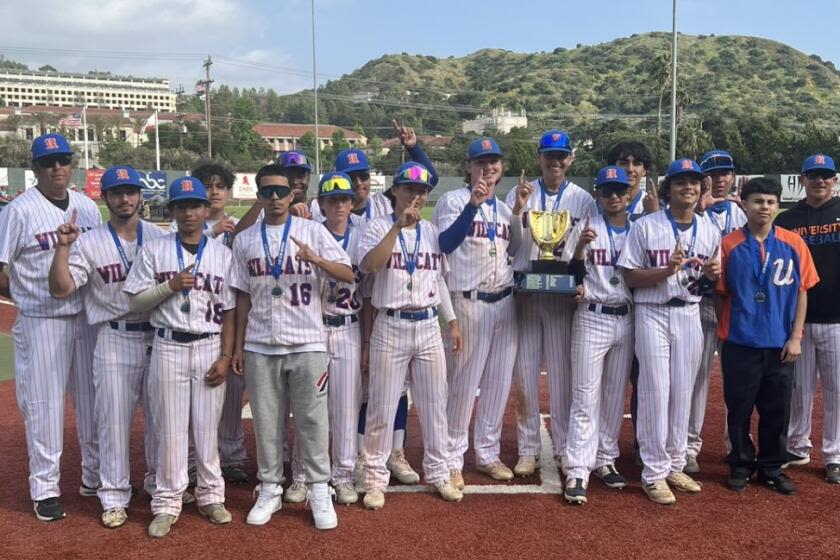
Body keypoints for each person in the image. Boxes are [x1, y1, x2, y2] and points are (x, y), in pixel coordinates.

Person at [229, 164, 353, 529]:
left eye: (280, 191)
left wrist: (316, 259)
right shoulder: (246, 240)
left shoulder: (312, 231)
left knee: (313, 420)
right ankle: (269, 488)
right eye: (267, 191)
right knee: (267, 422)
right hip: (260, 344)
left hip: (308, 342)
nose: (274, 198)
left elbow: (348, 273)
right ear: (258, 196)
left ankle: (318, 489)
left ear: (292, 194)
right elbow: (240, 296)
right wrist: (237, 347)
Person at [48, 166, 166, 528]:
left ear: (140, 196)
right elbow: (61, 289)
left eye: (131, 192)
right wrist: (63, 250)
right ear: (106, 198)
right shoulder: (90, 241)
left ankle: (158, 485)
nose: (125, 199)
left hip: (158, 337)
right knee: (113, 422)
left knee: (162, 420)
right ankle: (114, 495)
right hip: (115, 337)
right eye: (117, 193)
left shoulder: (160, 236)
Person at [124, 177, 236, 538]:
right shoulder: (156, 250)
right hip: (168, 344)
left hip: (208, 344)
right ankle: (167, 502)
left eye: (195, 205)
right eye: (181, 206)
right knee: (170, 430)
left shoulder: (221, 253)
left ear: (206, 210)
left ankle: (210, 496)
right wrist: (168, 287)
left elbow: (231, 310)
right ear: (171, 211)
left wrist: (226, 354)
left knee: (206, 429)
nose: (189, 212)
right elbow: (135, 301)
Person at [0, 133, 102, 521]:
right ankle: (44, 490)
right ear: (35, 169)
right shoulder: (19, 211)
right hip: (43, 322)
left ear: (72, 164)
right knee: (43, 408)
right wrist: (24, 293)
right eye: (48, 162)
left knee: (94, 404)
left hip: (87, 318)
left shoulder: (87, 207)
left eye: (62, 160)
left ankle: (93, 477)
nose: (57, 167)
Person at [358, 161, 463, 510]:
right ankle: (374, 478)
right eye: (408, 189)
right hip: (391, 322)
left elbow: (439, 281)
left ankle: (439, 472)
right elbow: (370, 266)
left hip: (427, 324)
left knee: (435, 405)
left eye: (421, 191)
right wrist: (396, 229)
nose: (415, 196)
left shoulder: (432, 231)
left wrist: (451, 321)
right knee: (382, 406)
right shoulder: (376, 227)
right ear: (394, 192)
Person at [617, 158, 720, 505]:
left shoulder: (709, 230)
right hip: (653, 312)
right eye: (680, 182)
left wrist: (711, 275)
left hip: (689, 313)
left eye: (693, 182)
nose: (687, 188)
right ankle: (653, 471)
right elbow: (630, 276)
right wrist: (664, 272)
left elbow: (703, 284)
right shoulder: (646, 226)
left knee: (683, 391)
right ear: (668, 188)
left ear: (700, 189)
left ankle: (675, 462)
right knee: (655, 390)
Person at [505, 129, 596, 477]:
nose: (555, 161)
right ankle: (528, 450)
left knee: (562, 378)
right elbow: (513, 245)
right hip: (527, 292)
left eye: (561, 155)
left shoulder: (583, 199)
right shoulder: (521, 193)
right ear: (539, 158)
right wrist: (517, 209)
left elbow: (587, 247)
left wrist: (581, 281)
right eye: (549, 155)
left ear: (570, 159)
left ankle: (561, 446)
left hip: (562, 297)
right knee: (526, 376)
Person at [717, 176, 817, 494]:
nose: (765, 207)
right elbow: (720, 292)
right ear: (744, 205)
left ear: (778, 206)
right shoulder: (728, 244)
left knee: (777, 410)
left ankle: (772, 466)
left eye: (771, 202)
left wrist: (796, 336)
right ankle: (741, 464)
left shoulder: (793, 243)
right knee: (739, 409)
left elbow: (802, 292)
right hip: (740, 341)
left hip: (780, 344)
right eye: (758, 201)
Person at [433, 136, 521, 487]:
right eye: (481, 161)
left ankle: (487, 453)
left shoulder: (502, 208)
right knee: (463, 386)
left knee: (499, 384)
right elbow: (443, 245)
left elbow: (514, 248)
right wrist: (471, 206)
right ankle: (452, 458)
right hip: (468, 301)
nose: (488, 167)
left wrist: (517, 216)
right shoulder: (452, 201)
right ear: (467, 167)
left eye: (494, 161)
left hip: (505, 303)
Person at [561, 166, 636, 505]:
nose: (614, 196)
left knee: (614, 394)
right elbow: (569, 272)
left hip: (626, 317)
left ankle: (605, 458)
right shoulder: (586, 226)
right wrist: (579, 247)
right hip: (592, 316)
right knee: (585, 395)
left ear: (628, 193)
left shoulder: (639, 229)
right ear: (599, 195)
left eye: (619, 190)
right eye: (607, 190)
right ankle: (577, 467)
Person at [775, 154, 840, 484]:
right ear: (801, 179)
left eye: (825, 175)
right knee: (799, 389)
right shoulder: (787, 219)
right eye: (813, 175)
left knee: (836, 390)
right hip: (798, 320)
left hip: (837, 319)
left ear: (834, 179)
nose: (820, 181)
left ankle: (834, 454)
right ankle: (798, 445)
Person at [684, 149, 749, 474]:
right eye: (714, 174)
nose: (721, 179)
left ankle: (735, 444)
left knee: (738, 379)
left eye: (726, 172)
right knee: (697, 377)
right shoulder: (691, 215)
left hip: (734, 305)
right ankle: (689, 447)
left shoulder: (743, 214)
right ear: (703, 179)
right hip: (700, 302)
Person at [315, 172, 364, 504]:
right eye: (332, 200)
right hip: (315, 328)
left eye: (344, 199)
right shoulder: (310, 232)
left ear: (352, 202)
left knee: (347, 406)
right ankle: (308, 474)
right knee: (311, 406)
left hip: (349, 326)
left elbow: (372, 293)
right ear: (321, 203)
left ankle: (343, 474)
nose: (339, 205)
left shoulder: (363, 234)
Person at [606, 140, 659, 220]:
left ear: (644, 170)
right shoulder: (600, 205)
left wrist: (654, 214)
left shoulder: (653, 205)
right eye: (624, 163)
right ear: (613, 167)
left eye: (636, 164)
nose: (630, 169)